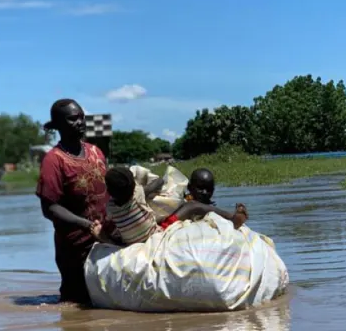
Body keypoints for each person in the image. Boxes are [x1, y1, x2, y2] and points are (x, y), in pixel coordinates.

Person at [36, 98, 120, 305]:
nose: (80, 122)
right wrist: (87, 225)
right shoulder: (53, 161)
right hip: (75, 249)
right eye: (73, 119)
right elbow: (50, 208)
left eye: (82, 117)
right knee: (76, 305)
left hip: (106, 240)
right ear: (58, 125)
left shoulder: (96, 151)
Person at [103, 167, 249, 246]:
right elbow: (159, 182)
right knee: (192, 206)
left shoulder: (110, 206)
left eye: (208, 189)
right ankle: (232, 217)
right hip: (156, 233)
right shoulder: (138, 195)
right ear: (190, 187)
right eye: (200, 188)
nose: (204, 193)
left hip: (130, 240)